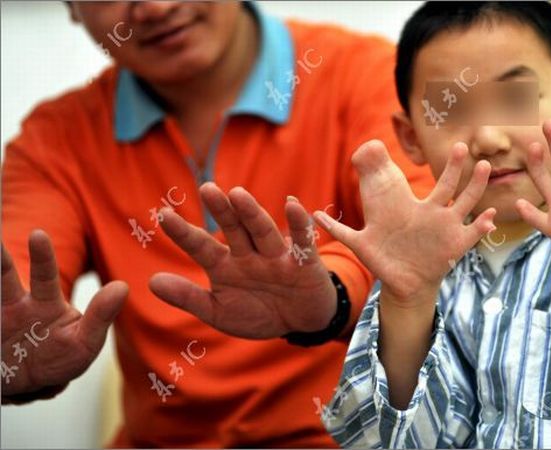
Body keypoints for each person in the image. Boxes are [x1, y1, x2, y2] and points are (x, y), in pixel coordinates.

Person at [0, 1, 433, 447]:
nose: (156, 7)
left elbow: (424, 251)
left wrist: (332, 297)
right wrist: (14, 352)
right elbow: (18, 282)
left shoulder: (366, 74)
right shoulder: (55, 140)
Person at [315, 2, 551, 448]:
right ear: (410, 137)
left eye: (516, 98)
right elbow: (378, 440)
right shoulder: (413, 266)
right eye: (451, 107)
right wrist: (409, 302)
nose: (489, 137)